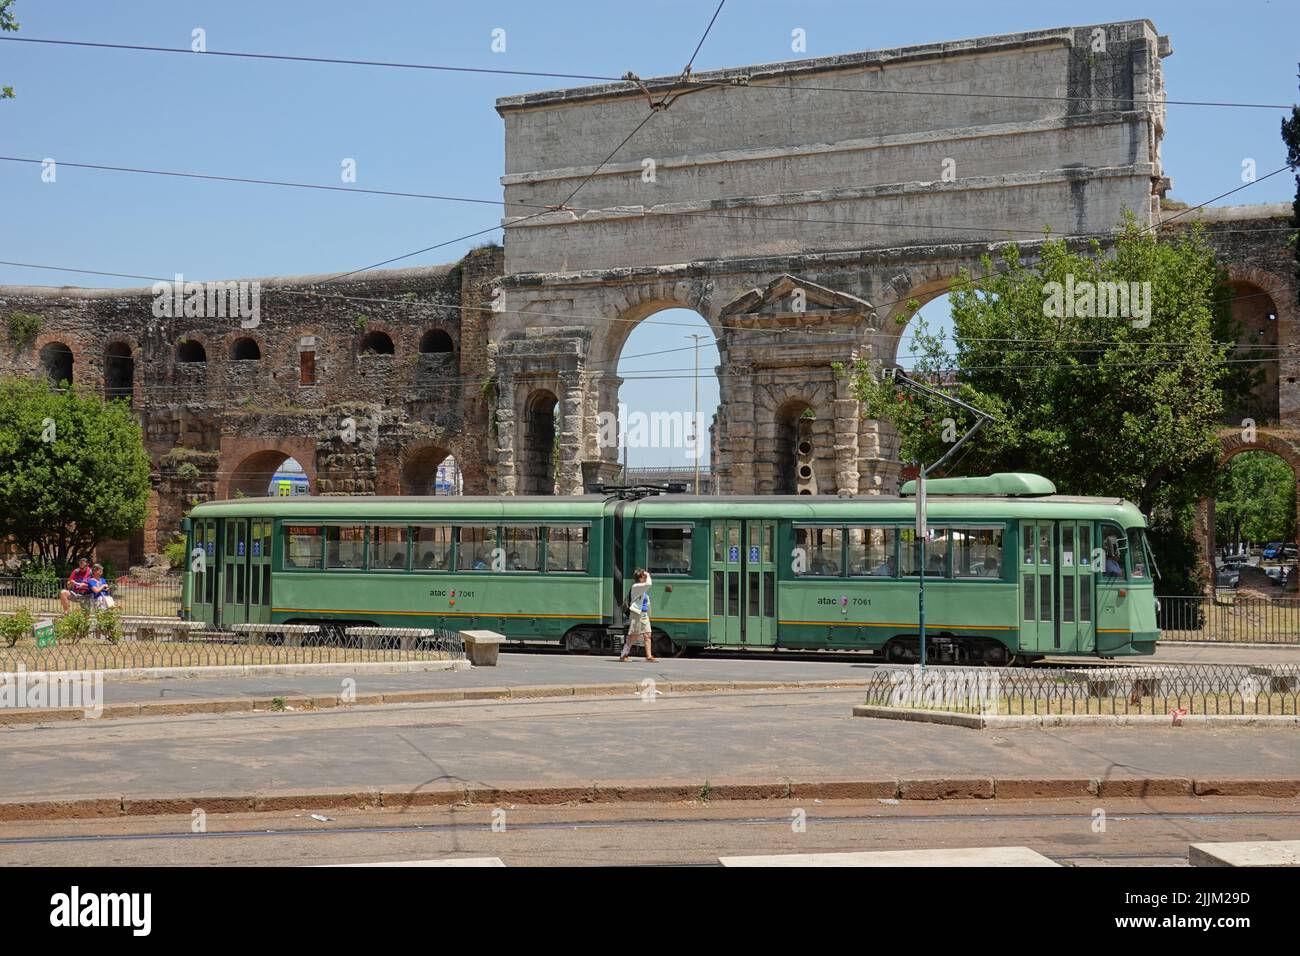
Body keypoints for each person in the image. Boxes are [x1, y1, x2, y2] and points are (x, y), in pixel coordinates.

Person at [620, 568, 657, 662]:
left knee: (647, 635)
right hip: (636, 613)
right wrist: (647, 574)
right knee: (633, 635)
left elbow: (646, 603)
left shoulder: (642, 589)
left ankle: (649, 656)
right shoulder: (636, 586)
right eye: (644, 576)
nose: (646, 577)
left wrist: (649, 614)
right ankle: (624, 654)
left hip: (644, 614)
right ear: (640, 578)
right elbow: (649, 583)